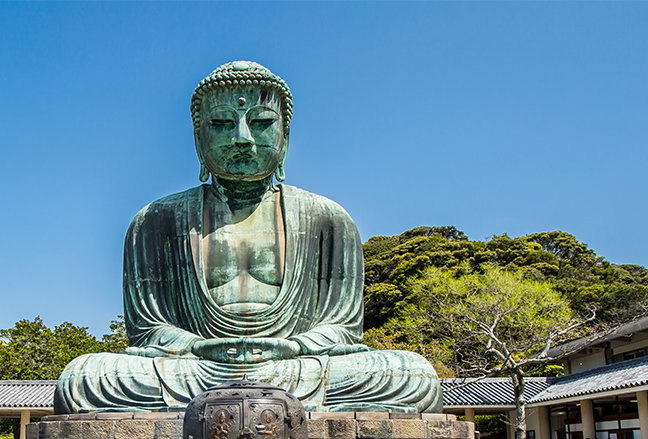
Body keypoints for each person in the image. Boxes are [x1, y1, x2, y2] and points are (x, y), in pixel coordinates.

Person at [54, 61, 442, 414]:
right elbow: (148, 330)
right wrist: (195, 346)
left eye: (260, 123)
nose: (242, 137)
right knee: (85, 378)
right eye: (222, 123)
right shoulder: (155, 221)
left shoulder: (329, 220)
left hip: (295, 367)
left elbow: (342, 329)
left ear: (285, 135)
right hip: (196, 369)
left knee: (412, 376)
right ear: (197, 137)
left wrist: (295, 347)